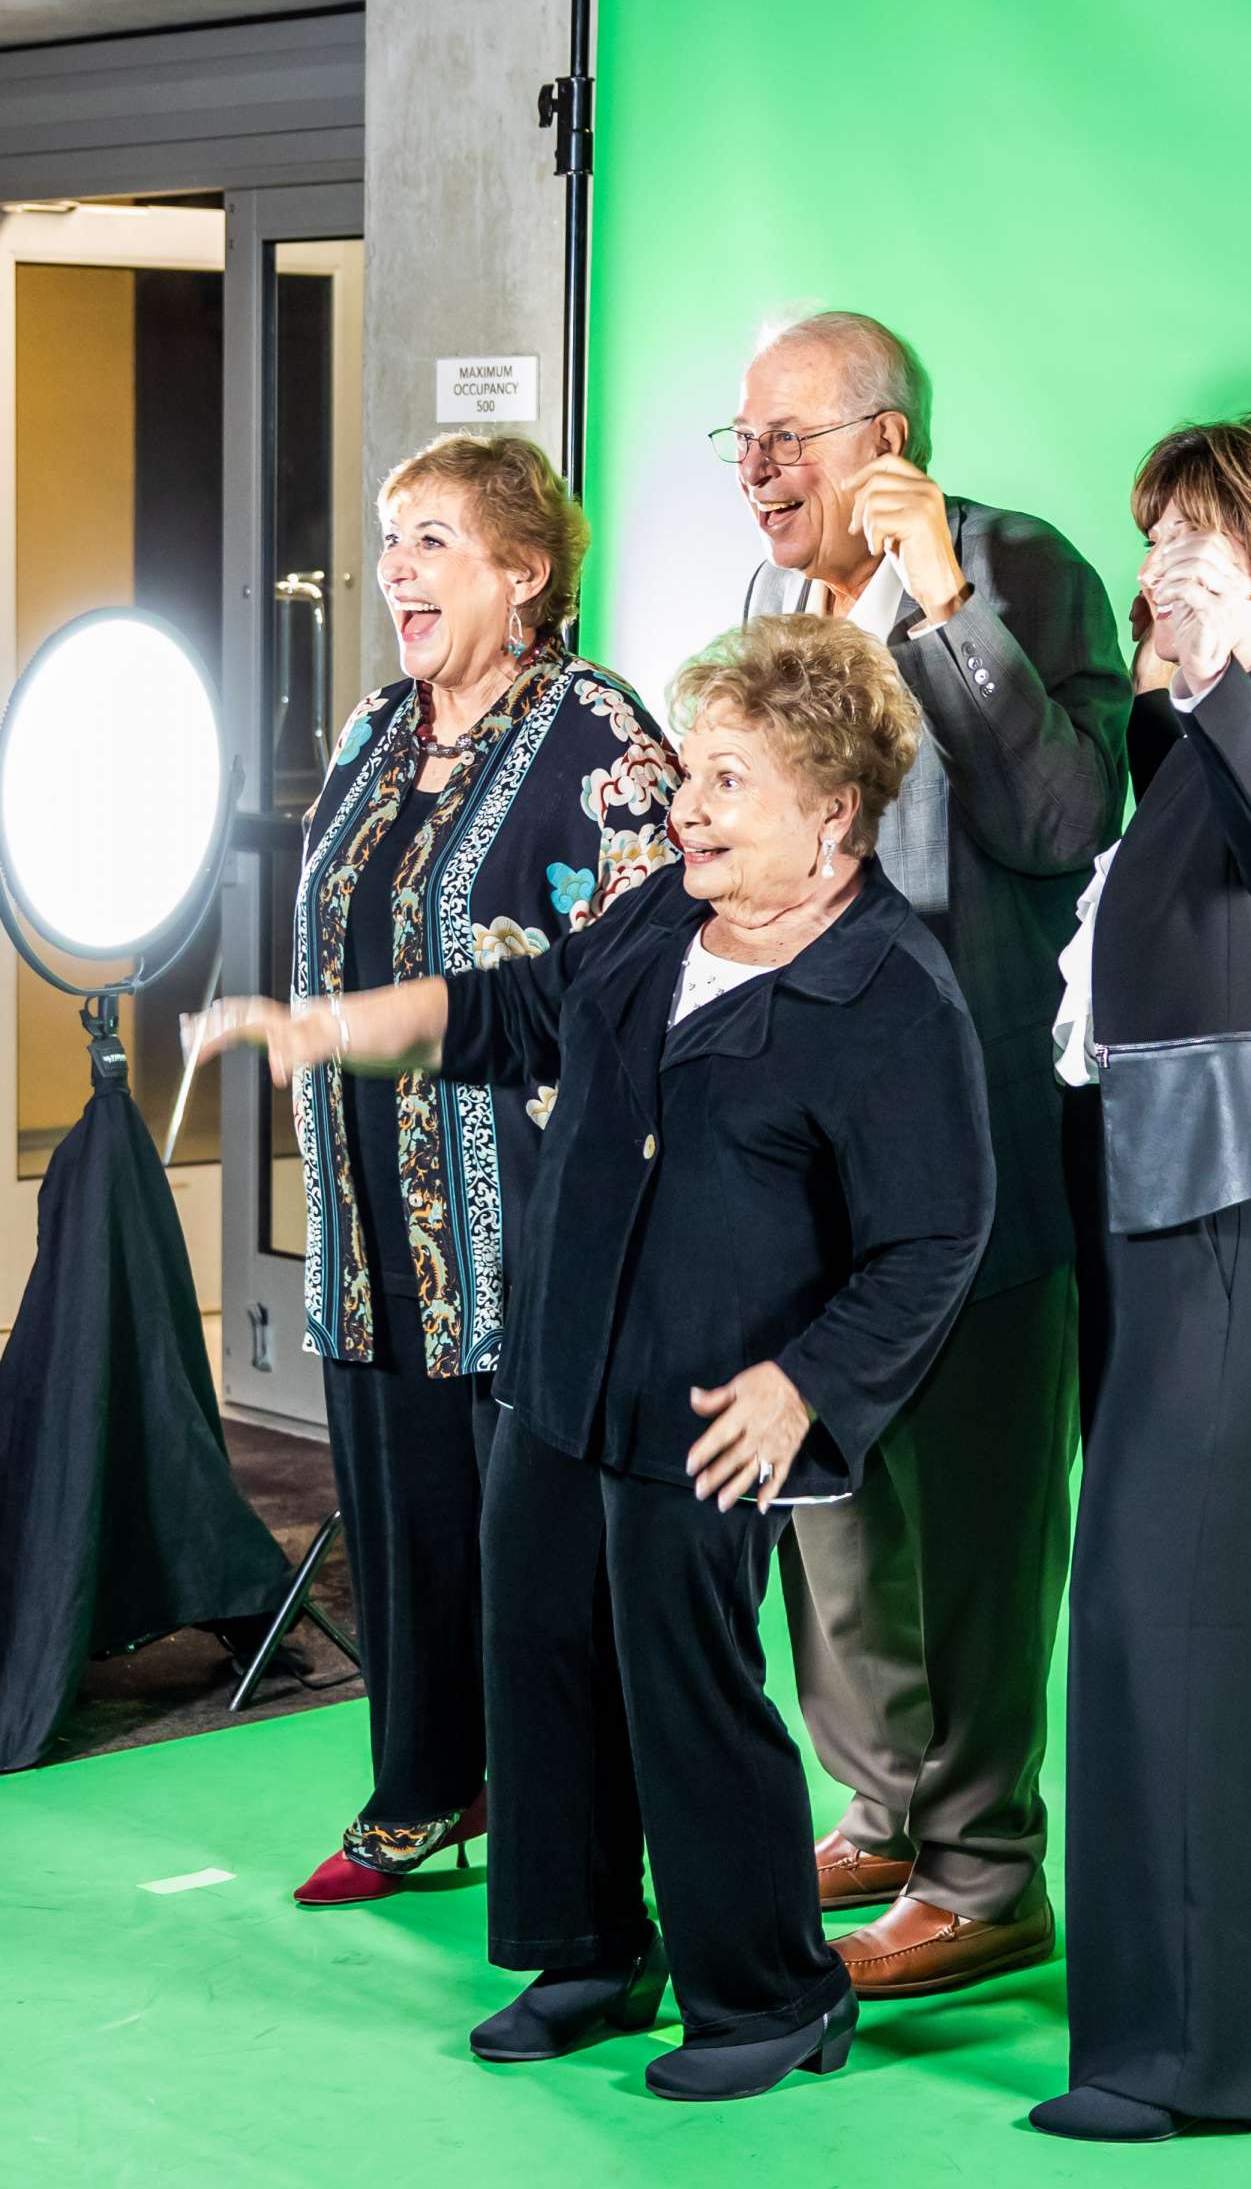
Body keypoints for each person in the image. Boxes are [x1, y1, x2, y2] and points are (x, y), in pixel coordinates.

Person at [188, 612, 996, 2101]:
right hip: (562, 1371)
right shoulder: (661, 923)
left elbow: (936, 1237)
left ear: (832, 813)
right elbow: (519, 1008)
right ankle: (588, 1954)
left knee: (685, 1686)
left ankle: (768, 1998)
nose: (687, 804)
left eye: (731, 781)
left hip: (710, 1406)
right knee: (545, 1654)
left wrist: (809, 1383)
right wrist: (334, 1028)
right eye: (694, 770)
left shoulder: (891, 992)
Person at [722, 310, 1128, 1993]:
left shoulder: (1022, 571)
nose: (759, 474)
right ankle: (882, 1807)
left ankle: (984, 1865)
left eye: (790, 441)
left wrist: (946, 608)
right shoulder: (769, 609)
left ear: (888, 444)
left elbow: (1059, 821)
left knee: (970, 1510)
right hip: (807, 1149)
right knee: (832, 1499)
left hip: (974, 1148)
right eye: (741, 443)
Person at [1033, 413, 1251, 2145]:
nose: (1159, 564)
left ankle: (1197, 2059)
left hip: (1240, 1216)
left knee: (1154, 1622)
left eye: (1197, 536)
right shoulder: (1200, 742)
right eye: (1155, 532)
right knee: (1202, 1620)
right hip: (1166, 1211)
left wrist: (1225, 671)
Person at [272, 431, 676, 1906]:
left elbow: (642, 985)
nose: (396, 571)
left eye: (432, 540)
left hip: (530, 1230)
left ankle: (570, 1852)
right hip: (374, 1223)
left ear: (525, 571)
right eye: (391, 541)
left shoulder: (599, 735)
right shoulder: (379, 728)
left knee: (537, 1564)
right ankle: (424, 1792)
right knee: (404, 1525)